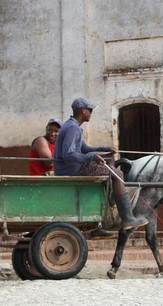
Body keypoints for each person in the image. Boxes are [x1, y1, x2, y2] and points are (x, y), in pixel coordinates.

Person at [54, 97, 148, 234]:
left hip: (71, 167)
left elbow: (84, 148)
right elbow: (68, 155)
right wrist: (92, 157)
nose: (91, 113)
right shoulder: (73, 129)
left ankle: (101, 219)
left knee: (110, 161)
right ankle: (127, 218)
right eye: (90, 110)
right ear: (82, 111)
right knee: (117, 174)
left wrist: (105, 149)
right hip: (72, 169)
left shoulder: (72, 126)